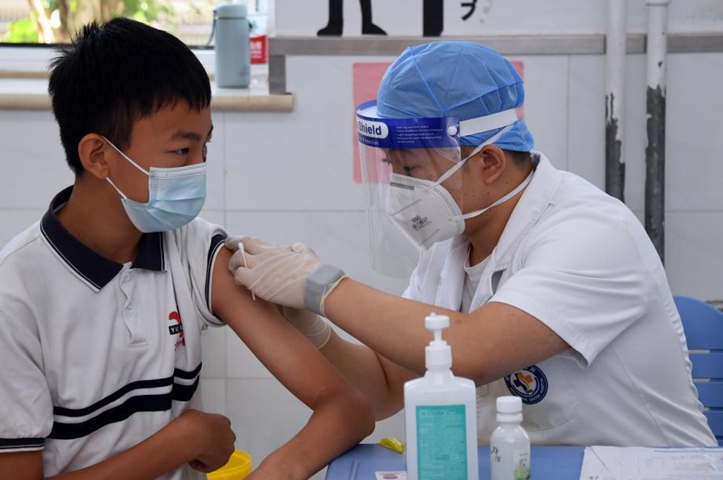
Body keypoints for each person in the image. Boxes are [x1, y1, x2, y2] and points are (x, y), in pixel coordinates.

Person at [227, 41, 716, 447]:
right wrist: (315, 328)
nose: (400, 187)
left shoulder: (592, 232)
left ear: (489, 162)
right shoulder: (451, 241)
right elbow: (384, 388)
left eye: (412, 170)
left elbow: (472, 348)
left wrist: (321, 286)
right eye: (393, 169)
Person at [0, 18, 373, 480]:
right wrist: (182, 440)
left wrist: (278, 471)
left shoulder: (193, 249)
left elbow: (347, 406)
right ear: (99, 156)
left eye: (205, 148)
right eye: (181, 152)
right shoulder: (10, 300)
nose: (198, 168)